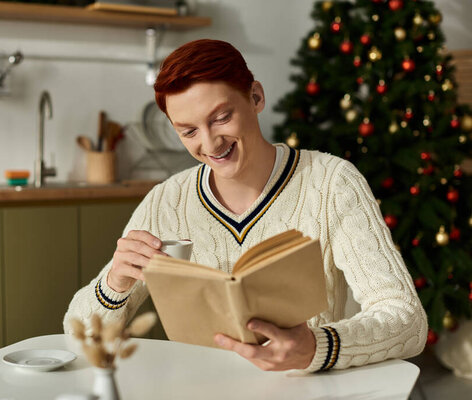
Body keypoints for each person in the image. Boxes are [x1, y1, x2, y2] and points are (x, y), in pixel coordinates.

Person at [64, 39, 427, 372]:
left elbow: (407, 320)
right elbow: (77, 337)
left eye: (221, 117)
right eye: (188, 131)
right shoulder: (166, 201)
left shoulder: (332, 182)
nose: (210, 143)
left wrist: (319, 347)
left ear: (255, 97)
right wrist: (115, 283)